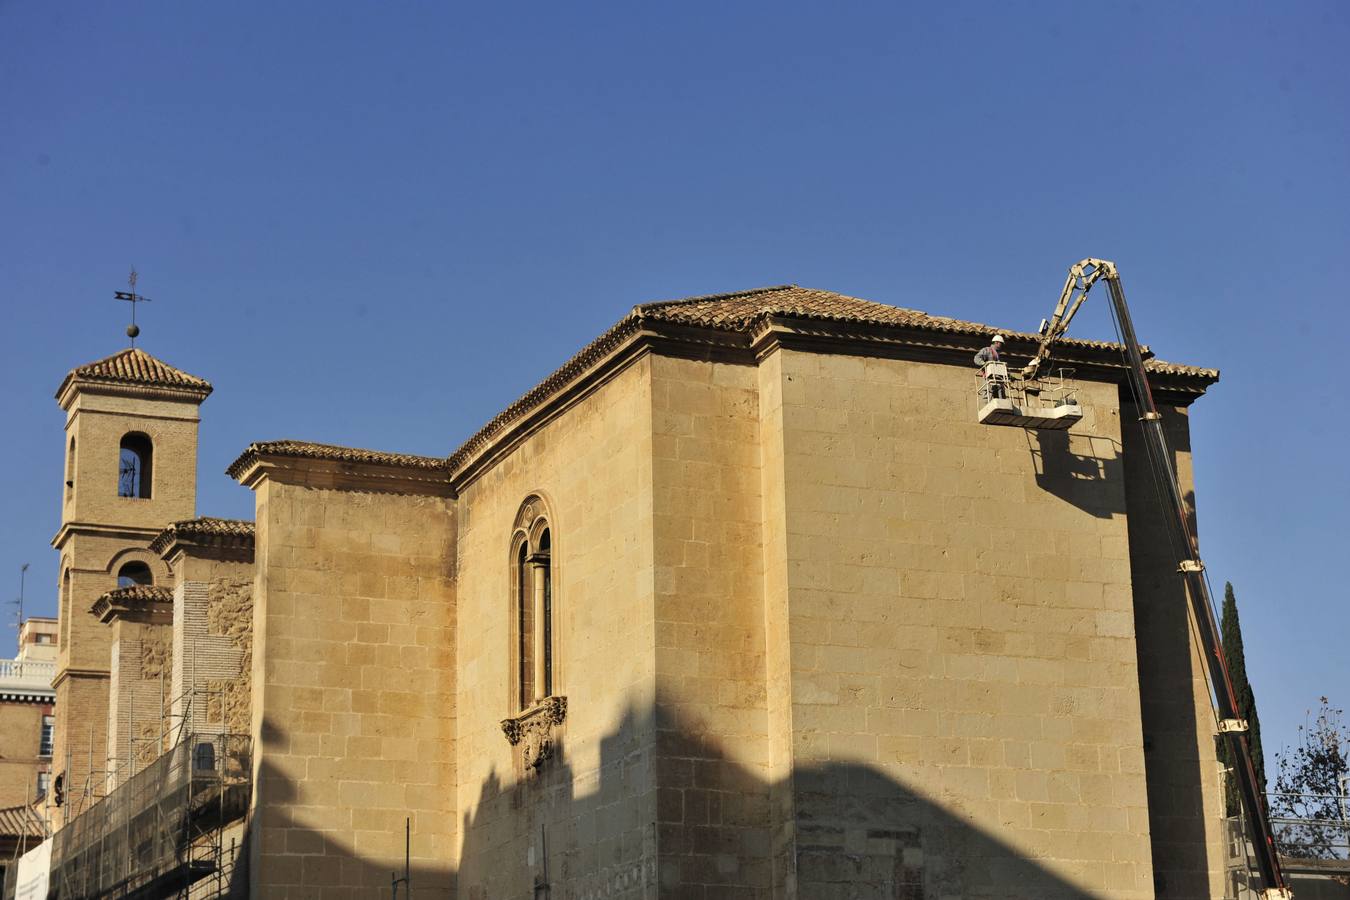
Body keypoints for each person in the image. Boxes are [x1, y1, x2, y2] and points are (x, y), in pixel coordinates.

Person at [974, 334, 1007, 399]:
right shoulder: (987, 350)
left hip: (997, 379)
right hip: (988, 377)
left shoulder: (997, 355)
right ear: (996, 342)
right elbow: (977, 358)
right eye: (1001, 344)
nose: (1001, 346)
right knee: (988, 394)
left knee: (1000, 394)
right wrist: (984, 363)